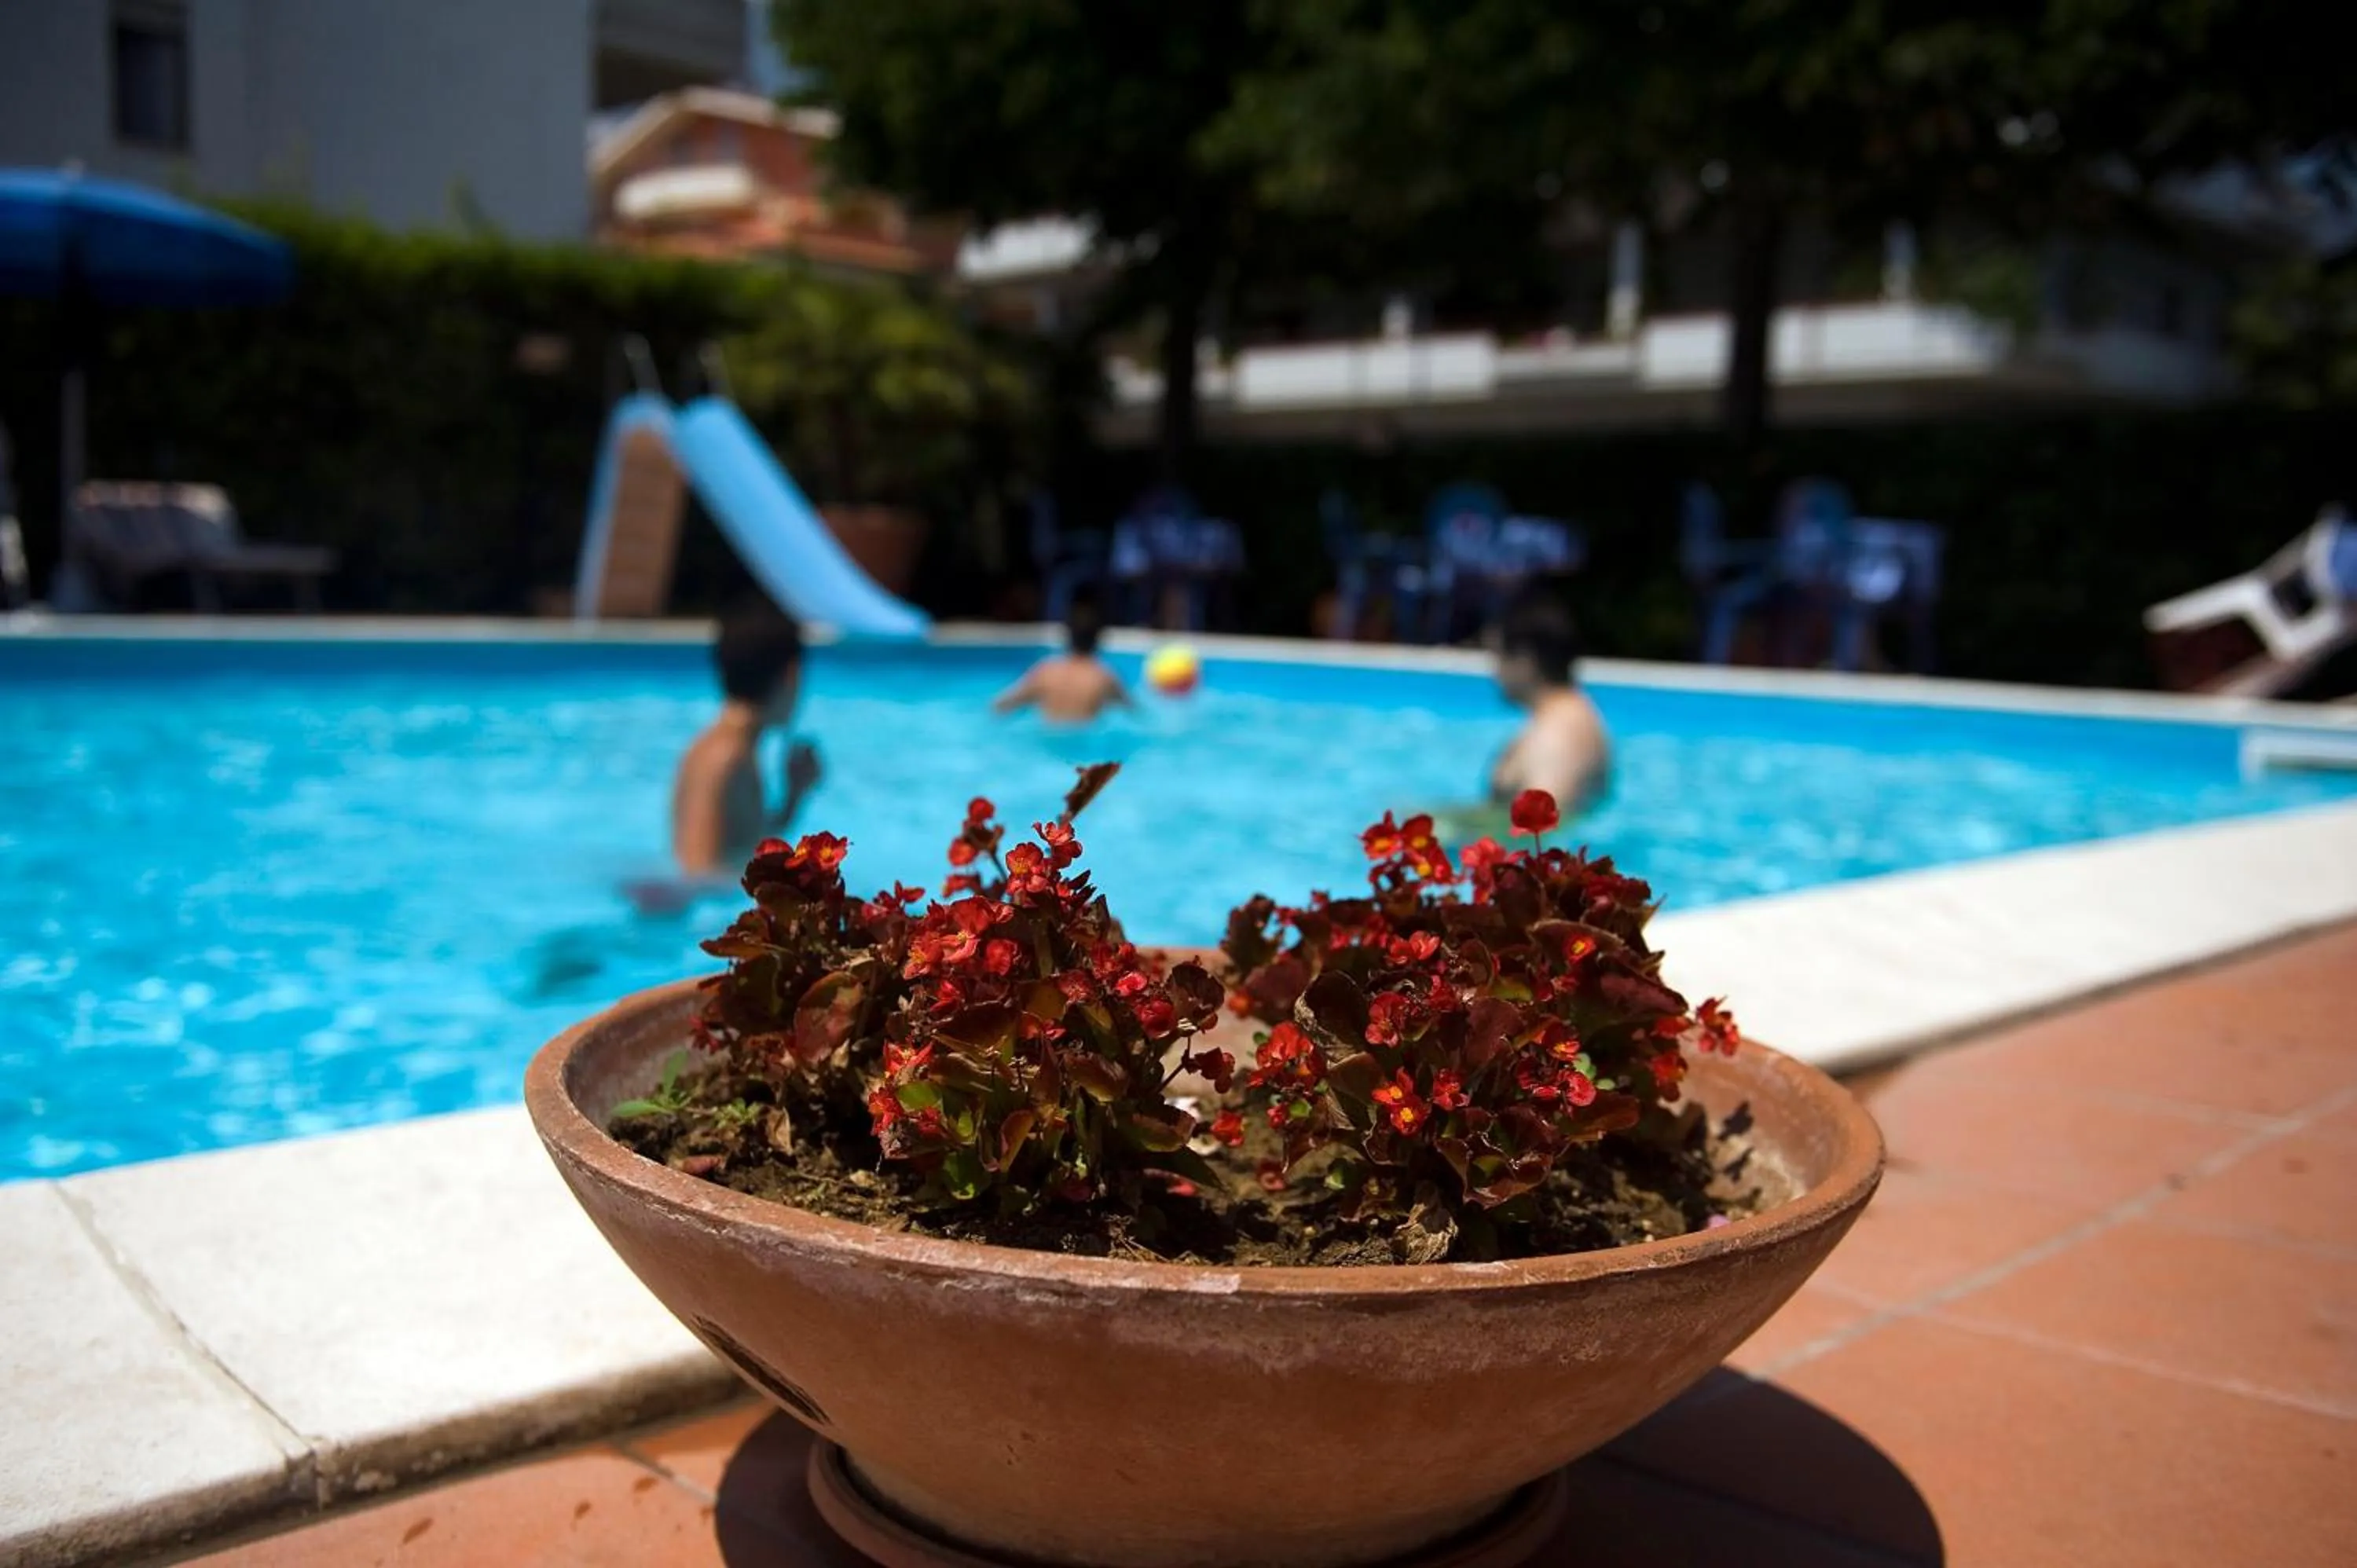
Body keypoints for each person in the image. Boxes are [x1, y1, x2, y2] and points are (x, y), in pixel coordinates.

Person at [670, 601, 823, 877]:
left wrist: (793, 796)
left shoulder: (730, 749)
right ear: (792, 675)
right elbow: (698, 874)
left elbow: (741, 846)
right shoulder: (725, 758)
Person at [1489, 584, 1611, 815]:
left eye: (1498, 658)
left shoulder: (1555, 737)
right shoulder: (1575, 716)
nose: (1495, 674)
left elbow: (1543, 827)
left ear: (1524, 661)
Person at [994, 599, 1133, 723]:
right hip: (1083, 741)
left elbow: (1000, 706)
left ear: (1068, 637)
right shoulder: (1104, 677)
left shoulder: (1045, 672)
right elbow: (1133, 712)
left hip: (1047, 741)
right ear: (1098, 639)